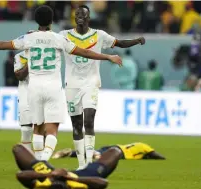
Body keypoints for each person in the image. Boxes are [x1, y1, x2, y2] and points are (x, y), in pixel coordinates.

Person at [0, 5, 122, 161]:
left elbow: (3, 45)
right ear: (52, 21)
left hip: (34, 87)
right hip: (53, 87)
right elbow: (85, 52)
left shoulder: (28, 38)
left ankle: (39, 161)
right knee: (52, 129)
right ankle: (44, 159)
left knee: (37, 128)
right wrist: (107, 57)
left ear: (36, 20)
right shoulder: (59, 39)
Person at [59, 5, 145, 169]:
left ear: (89, 17)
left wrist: (136, 40)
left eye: (83, 14)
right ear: (74, 17)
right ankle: (81, 164)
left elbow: (119, 43)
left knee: (89, 120)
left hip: (91, 83)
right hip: (72, 84)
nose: (80, 17)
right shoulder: (64, 35)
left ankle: (89, 163)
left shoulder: (99, 35)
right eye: (77, 14)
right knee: (77, 125)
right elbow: (48, 41)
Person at [13, 143, 121, 189]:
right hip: (80, 178)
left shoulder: (43, 185)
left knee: (18, 148)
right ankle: (95, 154)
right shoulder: (76, 186)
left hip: (47, 173)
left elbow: (20, 175)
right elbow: (103, 183)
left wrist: (50, 174)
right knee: (115, 151)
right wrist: (67, 177)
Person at [52, 142, 166, 160]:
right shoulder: (146, 148)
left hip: (115, 146)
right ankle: (70, 152)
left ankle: (71, 152)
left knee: (96, 153)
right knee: (98, 156)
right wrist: (163, 159)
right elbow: (156, 155)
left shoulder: (139, 145)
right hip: (119, 151)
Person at [14, 50, 32, 150]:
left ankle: (42, 158)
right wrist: (32, 60)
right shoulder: (19, 56)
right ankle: (29, 157)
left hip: (44, 91)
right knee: (26, 127)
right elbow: (20, 76)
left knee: (44, 127)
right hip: (26, 90)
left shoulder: (47, 52)